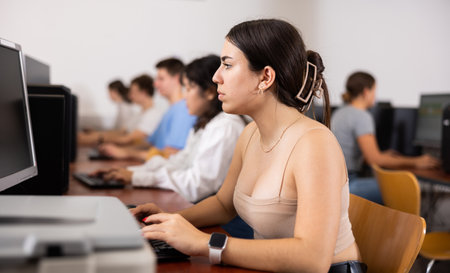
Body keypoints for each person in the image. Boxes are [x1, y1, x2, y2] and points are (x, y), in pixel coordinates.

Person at [130, 19, 367, 273]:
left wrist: (204, 243)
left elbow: (313, 260)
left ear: (265, 77)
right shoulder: (250, 133)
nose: (216, 77)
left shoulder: (314, 144)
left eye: (227, 65)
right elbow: (224, 204)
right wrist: (169, 220)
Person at [92, 55, 246, 203]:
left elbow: (196, 185)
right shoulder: (205, 123)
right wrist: (130, 172)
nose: (185, 96)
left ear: (210, 92)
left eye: (189, 88)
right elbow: (179, 162)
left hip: (218, 216)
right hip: (197, 200)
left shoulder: (224, 127)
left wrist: (136, 177)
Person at [331, 71, 440, 203]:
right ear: (366, 92)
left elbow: (355, 154)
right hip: (348, 184)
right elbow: (374, 159)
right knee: (403, 187)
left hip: (335, 183)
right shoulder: (361, 116)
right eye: (374, 91)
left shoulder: (340, 112)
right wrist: (415, 161)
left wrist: (382, 155)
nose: (375, 96)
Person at [98, 58, 197, 161]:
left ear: (176, 79)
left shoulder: (183, 110)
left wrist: (126, 153)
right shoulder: (171, 110)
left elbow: (171, 154)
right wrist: (121, 150)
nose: (155, 84)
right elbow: (149, 143)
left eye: (161, 79)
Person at [95, 74, 167, 146]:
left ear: (143, 92)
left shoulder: (153, 115)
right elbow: (123, 132)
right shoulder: (139, 114)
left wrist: (98, 138)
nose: (130, 96)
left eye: (132, 92)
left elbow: (128, 139)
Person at [78, 80, 138, 145]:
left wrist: (97, 135)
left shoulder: (125, 108)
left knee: (82, 139)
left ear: (114, 92)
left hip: (122, 142)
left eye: (109, 92)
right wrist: (96, 132)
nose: (108, 95)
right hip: (117, 139)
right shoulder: (121, 106)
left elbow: (122, 132)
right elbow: (117, 129)